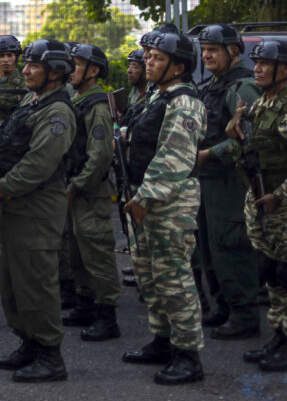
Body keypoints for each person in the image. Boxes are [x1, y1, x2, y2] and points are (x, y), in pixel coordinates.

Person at [222, 40, 287, 371]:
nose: (258, 68)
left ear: (285, 70)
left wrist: (281, 194)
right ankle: (281, 337)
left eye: (266, 64)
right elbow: (251, 155)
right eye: (257, 63)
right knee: (273, 276)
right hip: (262, 207)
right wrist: (236, 135)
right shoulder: (260, 106)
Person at [0, 38, 74, 383]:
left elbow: (38, 164)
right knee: (14, 281)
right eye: (27, 64)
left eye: (34, 66)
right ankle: (30, 344)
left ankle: (50, 355)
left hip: (36, 207)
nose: (26, 70)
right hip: (17, 205)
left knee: (36, 283)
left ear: (55, 73)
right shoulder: (37, 101)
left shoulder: (58, 111)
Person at [119, 30, 206, 385]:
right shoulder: (157, 97)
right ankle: (163, 338)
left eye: (156, 58)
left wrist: (143, 200)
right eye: (147, 56)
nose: (147, 62)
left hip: (167, 201)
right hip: (145, 196)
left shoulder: (184, 102)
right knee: (149, 275)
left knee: (173, 277)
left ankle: (188, 355)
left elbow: (175, 156)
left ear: (178, 66)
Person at [193, 24, 262, 338]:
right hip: (210, 178)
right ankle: (223, 306)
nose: (206, 55)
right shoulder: (216, 84)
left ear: (233, 51)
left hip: (229, 180)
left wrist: (210, 153)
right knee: (209, 247)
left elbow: (253, 137)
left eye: (214, 50)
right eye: (204, 49)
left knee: (231, 245)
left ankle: (245, 315)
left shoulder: (242, 86)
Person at [61, 43, 123, 341]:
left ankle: (106, 315)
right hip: (76, 189)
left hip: (89, 191)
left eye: (76, 64)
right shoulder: (78, 100)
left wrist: (75, 186)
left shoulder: (97, 106)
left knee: (96, 251)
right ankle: (86, 304)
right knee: (78, 251)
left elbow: (99, 157)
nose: (70, 70)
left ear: (93, 70)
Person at [0, 35, 26, 124]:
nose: (6, 60)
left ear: (16, 58)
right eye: (1, 56)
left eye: (9, 55)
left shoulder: (23, 83)